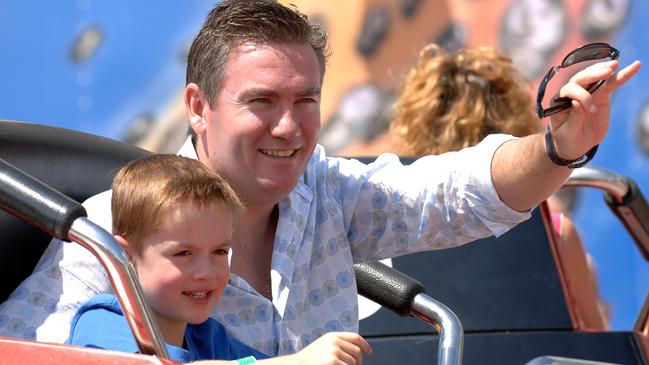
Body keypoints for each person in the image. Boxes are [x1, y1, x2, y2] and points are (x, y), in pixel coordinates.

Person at [0, 0, 640, 357]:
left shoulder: (328, 192)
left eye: (305, 101)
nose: (289, 128)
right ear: (198, 106)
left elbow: (456, 194)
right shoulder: (117, 229)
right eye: (262, 103)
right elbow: (31, 350)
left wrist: (558, 147)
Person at [67, 154, 371, 364]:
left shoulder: (209, 339)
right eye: (183, 253)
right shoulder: (103, 321)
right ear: (127, 256)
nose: (206, 272)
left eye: (219, 252)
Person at [389, 43, 611, 328]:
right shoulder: (550, 225)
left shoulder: (400, 227)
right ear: (514, 113)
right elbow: (594, 338)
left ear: (414, 128)